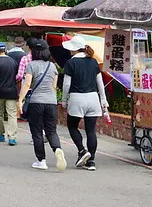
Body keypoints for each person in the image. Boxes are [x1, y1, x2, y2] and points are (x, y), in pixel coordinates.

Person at [62, 35, 108, 171]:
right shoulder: (93, 62)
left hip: (77, 98)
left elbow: (66, 84)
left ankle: (82, 151)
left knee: (72, 126)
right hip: (93, 98)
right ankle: (91, 161)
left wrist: (64, 100)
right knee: (90, 131)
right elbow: (100, 83)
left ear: (75, 49)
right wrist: (103, 100)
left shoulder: (70, 63)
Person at [19, 39, 66, 171]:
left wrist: (20, 100)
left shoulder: (31, 65)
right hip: (51, 102)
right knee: (51, 131)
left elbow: (27, 84)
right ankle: (57, 149)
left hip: (36, 102)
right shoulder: (52, 66)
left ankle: (41, 160)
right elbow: (54, 86)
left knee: (37, 132)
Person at [0, 42, 19, 146]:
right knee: (12, 114)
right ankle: (12, 137)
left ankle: (0, 134)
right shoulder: (13, 62)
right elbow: (17, 77)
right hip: (12, 91)